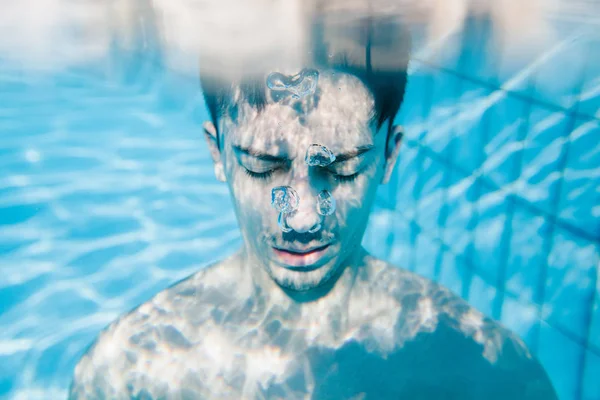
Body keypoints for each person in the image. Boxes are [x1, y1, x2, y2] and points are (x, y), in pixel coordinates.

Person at [69, 10, 557, 400]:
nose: (301, 218)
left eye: (342, 169)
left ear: (390, 155)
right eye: (262, 166)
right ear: (217, 153)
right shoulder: (129, 373)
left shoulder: (486, 373)